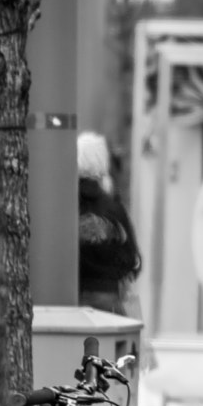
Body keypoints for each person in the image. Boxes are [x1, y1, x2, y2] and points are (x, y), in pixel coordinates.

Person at [77, 131, 142, 317]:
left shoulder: (63, 208)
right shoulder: (114, 207)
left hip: (71, 299)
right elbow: (132, 258)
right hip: (109, 298)